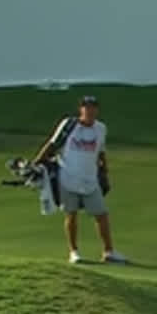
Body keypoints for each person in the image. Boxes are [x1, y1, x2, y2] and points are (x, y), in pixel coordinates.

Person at [32, 94, 128, 265]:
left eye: (92, 107)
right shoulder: (69, 125)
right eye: (86, 107)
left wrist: (104, 171)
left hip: (90, 180)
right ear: (81, 109)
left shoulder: (101, 128)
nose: (89, 110)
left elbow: (101, 151)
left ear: (97, 110)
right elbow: (52, 144)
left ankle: (108, 252)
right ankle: (74, 252)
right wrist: (36, 163)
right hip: (67, 178)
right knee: (71, 215)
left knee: (102, 215)